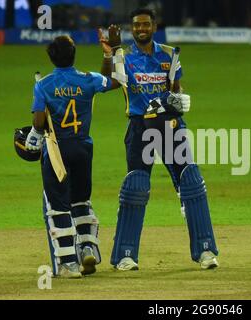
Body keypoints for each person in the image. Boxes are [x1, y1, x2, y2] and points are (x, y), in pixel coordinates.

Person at [98, 8, 219, 271]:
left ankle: (206, 251)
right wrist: (109, 53)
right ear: (132, 29)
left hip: (170, 125)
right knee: (136, 188)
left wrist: (180, 99)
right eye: (136, 25)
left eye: (145, 24)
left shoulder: (169, 53)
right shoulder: (124, 54)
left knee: (191, 183)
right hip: (140, 127)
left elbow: (176, 88)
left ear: (154, 26)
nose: (141, 29)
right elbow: (111, 82)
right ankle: (125, 255)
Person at [25, 35, 119, 278]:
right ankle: (87, 247)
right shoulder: (88, 80)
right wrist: (109, 55)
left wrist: (34, 137)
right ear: (74, 54)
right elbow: (113, 81)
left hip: (57, 150)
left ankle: (69, 264)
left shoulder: (43, 85)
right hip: (83, 148)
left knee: (58, 207)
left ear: (51, 57)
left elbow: (38, 121)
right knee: (80, 201)